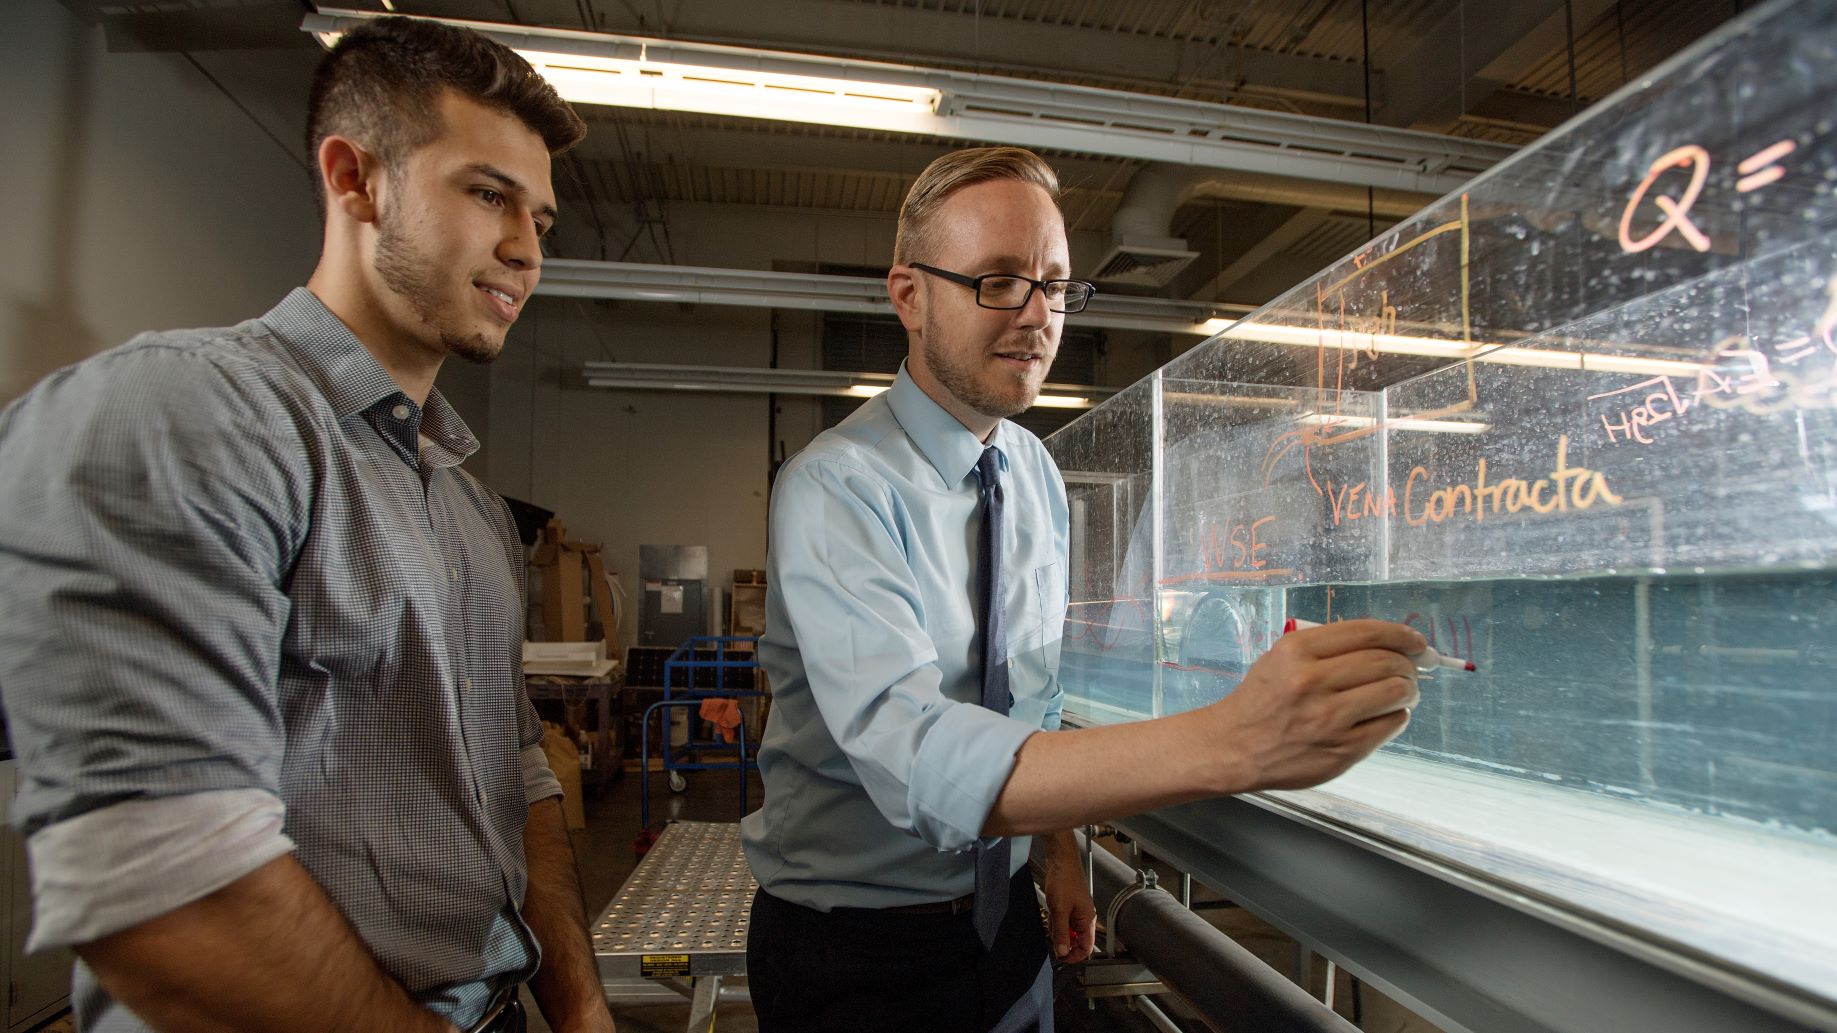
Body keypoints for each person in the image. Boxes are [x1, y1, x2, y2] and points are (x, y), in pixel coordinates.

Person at [0, 17, 615, 1033]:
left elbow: (519, 776)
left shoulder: (464, 503)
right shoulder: (186, 414)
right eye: (487, 193)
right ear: (355, 179)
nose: (525, 248)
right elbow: (170, 897)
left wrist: (582, 1010)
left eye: (541, 219)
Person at [741, 146, 1425, 1033]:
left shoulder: (1029, 472)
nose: (1036, 315)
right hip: (856, 954)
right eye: (996, 281)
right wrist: (1234, 740)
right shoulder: (837, 489)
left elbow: (1031, 690)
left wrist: (1058, 850)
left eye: (1055, 285)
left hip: (1006, 930)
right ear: (908, 295)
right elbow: (916, 755)